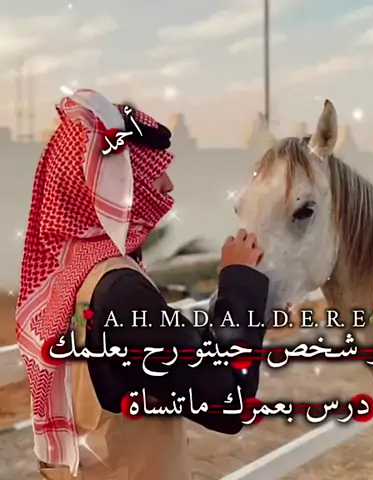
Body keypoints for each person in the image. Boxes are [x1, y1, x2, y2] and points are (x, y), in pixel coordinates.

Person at [15, 89, 269, 480]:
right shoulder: (120, 292)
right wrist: (241, 282)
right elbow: (229, 404)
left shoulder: (72, 277)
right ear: (112, 185)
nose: (168, 186)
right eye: (153, 172)